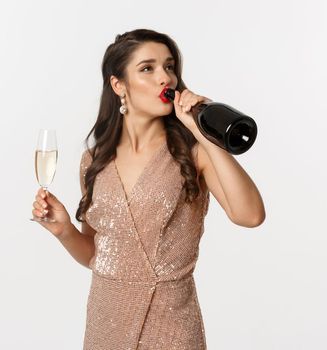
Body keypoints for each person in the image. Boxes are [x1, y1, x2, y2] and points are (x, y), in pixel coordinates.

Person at [29, 28, 266, 349]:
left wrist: (204, 133)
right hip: (106, 322)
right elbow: (99, 255)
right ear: (119, 85)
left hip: (172, 326)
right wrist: (64, 231)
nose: (165, 78)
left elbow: (250, 215)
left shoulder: (194, 153)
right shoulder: (94, 161)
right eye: (147, 68)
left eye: (169, 67)